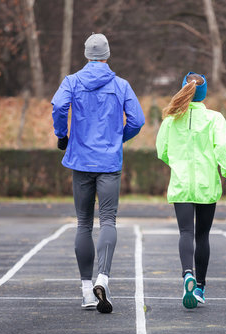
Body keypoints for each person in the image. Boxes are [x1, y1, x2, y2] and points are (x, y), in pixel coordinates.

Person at [51, 33, 145, 313]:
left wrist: (62, 134)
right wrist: (119, 137)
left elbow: (58, 106)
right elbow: (137, 120)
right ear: (107, 55)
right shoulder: (121, 85)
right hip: (108, 163)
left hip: (81, 160)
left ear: (86, 54)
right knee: (108, 220)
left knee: (83, 223)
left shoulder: (72, 81)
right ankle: (103, 278)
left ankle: (85, 291)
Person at [155, 72, 226, 309]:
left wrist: (178, 163)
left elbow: (161, 150)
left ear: (183, 89)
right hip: (206, 185)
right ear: (204, 94)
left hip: (181, 184)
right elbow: (222, 148)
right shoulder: (215, 118)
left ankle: (187, 274)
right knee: (202, 236)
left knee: (185, 233)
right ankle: (199, 286)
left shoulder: (171, 119)